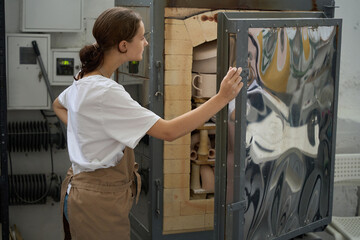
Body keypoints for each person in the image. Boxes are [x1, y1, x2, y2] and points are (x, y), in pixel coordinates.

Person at [53, 6, 243, 240]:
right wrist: (222, 97)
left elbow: (57, 105)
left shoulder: (84, 80)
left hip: (80, 193)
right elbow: (168, 131)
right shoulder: (107, 92)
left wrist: (87, 130)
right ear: (123, 45)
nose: (146, 43)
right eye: (141, 38)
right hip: (97, 204)